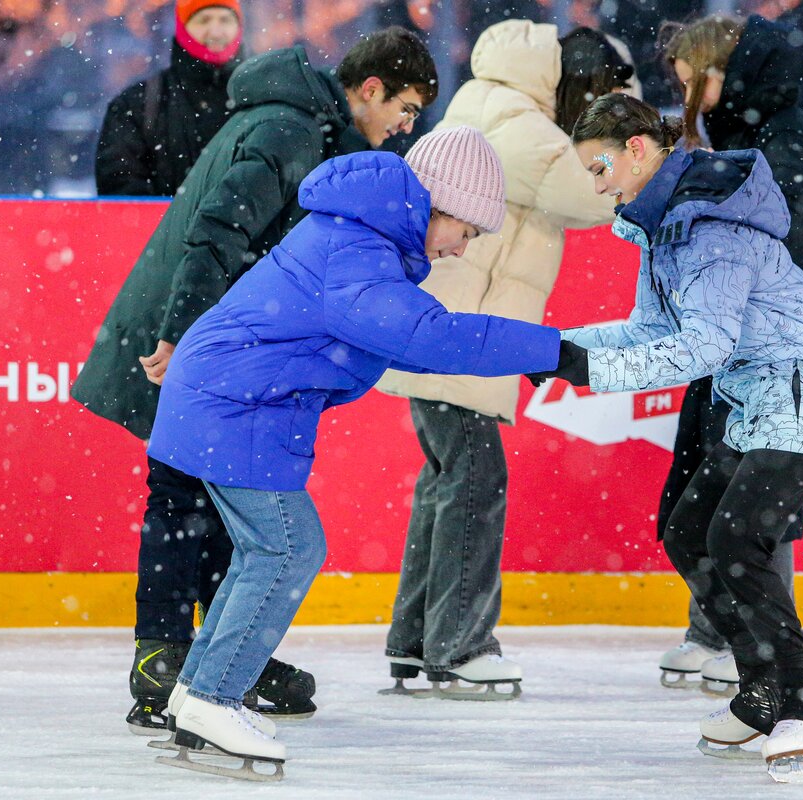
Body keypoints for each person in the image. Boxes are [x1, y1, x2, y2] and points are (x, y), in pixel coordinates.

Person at [147, 129, 566, 779]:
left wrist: (529, 353)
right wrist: (550, 350)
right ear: (439, 204)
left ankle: (196, 695)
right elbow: (425, 334)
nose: (462, 247)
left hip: (227, 398)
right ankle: (212, 699)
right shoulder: (358, 248)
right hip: (236, 406)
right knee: (288, 548)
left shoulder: (363, 237)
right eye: (467, 231)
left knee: (270, 549)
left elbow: (395, 339)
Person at [70, 26, 438, 734]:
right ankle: (163, 661)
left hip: (209, 331)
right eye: (407, 108)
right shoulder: (289, 126)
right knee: (182, 496)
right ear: (370, 90)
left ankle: (222, 653)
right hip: (185, 329)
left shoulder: (314, 130)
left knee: (217, 496)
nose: (405, 127)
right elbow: (218, 231)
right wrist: (178, 334)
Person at [539, 92, 803, 776]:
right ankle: (763, 686)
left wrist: (588, 369)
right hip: (761, 397)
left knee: (736, 537)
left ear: (636, 148)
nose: (597, 189)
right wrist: (552, 346)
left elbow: (703, 349)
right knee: (689, 529)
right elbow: (650, 332)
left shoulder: (709, 224)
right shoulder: (665, 228)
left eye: (600, 170)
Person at [375, 20, 628, 697]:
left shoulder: (497, 105)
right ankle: (458, 644)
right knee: (473, 483)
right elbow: (591, 194)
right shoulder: (515, 121)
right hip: (458, 334)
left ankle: (418, 640)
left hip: (449, 330)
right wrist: (631, 145)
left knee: (449, 483)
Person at [652, 12, 803, 692]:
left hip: (774, 356)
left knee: (750, 509)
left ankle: (759, 647)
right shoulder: (744, 137)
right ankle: (724, 630)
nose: (689, 99)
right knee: (702, 504)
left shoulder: (777, 143)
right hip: (739, 348)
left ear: (726, 77)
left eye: (691, 83)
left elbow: (790, 243)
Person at [95, 0, 244, 197]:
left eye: (225, 20)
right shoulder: (137, 105)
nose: (215, 32)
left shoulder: (261, 99)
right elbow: (121, 190)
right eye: (203, 20)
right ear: (183, 29)